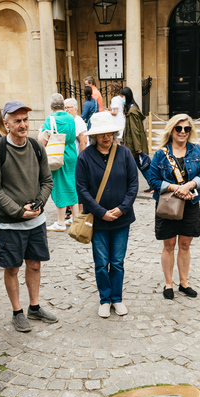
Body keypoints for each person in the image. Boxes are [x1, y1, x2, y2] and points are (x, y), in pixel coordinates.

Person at [0, 100, 57, 333]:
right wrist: (18, 211)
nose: (23, 124)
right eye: (17, 121)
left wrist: (39, 204)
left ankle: (34, 307)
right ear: (6, 124)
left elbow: (47, 181)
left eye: (25, 120)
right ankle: (17, 311)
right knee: (12, 268)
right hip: (9, 224)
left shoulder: (37, 147)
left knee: (34, 265)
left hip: (36, 221)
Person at [75, 112, 139, 318]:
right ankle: (105, 299)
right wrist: (100, 212)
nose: (106, 137)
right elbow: (82, 189)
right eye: (102, 134)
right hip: (98, 220)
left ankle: (117, 298)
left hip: (122, 218)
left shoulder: (125, 153)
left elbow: (133, 184)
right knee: (102, 262)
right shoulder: (85, 156)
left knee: (117, 261)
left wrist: (122, 208)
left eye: (109, 133)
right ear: (95, 136)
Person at [146, 114, 200, 300]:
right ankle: (168, 283)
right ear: (172, 130)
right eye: (179, 128)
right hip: (168, 204)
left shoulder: (197, 151)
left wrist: (189, 185)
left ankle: (184, 283)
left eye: (187, 129)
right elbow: (153, 179)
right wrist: (176, 188)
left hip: (190, 203)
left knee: (185, 244)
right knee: (169, 244)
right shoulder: (161, 154)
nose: (183, 132)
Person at [40, 93, 80, 232]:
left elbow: (43, 141)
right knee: (72, 184)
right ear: (63, 105)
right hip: (71, 153)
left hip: (57, 154)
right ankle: (76, 218)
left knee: (59, 186)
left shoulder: (49, 119)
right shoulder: (70, 117)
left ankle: (61, 222)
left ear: (51, 106)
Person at [121, 86, 149, 166]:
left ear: (127, 97)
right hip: (132, 145)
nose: (122, 99)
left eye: (123, 96)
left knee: (143, 168)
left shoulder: (132, 112)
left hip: (133, 147)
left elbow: (134, 130)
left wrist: (138, 148)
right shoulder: (132, 109)